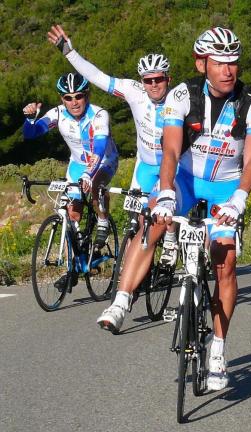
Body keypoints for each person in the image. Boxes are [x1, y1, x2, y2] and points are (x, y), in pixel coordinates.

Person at [153, 26, 251, 391]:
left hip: (226, 191)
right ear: (204, 63)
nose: (228, 70)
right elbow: (170, 150)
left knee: (225, 263)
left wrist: (241, 198)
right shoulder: (182, 95)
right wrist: (167, 190)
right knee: (157, 217)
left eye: (233, 63)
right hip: (188, 181)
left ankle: (218, 347)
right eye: (220, 63)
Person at [44, 26, 182, 331]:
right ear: (142, 82)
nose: (153, 85)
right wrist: (68, 51)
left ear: (168, 80)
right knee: (136, 220)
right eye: (149, 80)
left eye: (159, 79)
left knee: (162, 214)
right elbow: (96, 77)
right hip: (145, 167)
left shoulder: (180, 98)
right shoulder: (134, 91)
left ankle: (170, 242)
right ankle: (128, 284)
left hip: (173, 169)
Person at [22, 73, 119, 286]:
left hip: (103, 161)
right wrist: (30, 118)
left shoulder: (99, 115)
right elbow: (32, 133)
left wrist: (89, 174)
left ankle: (102, 222)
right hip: (76, 164)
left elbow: (100, 147)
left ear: (87, 95)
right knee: (70, 216)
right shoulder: (58, 113)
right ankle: (72, 268)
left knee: (95, 186)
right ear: (61, 99)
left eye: (78, 96)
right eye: (68, 97)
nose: (73, 102)